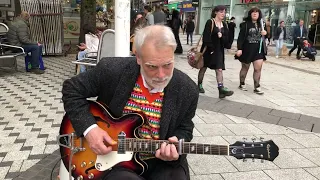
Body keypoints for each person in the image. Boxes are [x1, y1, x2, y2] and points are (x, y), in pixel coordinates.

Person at [62, 25, 199, 180]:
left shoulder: (188, 89)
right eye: (152, 67)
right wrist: (90, 129)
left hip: (161, 162)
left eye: (167, 65)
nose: (161, 75)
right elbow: (71, 90)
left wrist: (177, 142)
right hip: (113, 161)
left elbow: (185, 128)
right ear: (138, 57)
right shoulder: (112, 70)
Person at [197, 5, 234, 98]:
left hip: (219, 51)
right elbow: (206, 37)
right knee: (203, 68)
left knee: (219, 69)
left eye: (224, 12)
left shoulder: (224, 24)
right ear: (215, 12)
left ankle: (221, 90)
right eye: (221, 12)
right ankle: (199, 85)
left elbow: (226, 40)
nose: (223, 14)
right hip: (208, 50)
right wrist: (211, 49)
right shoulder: (210, 22)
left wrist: (221, 37)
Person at [236, 7, 267, 95]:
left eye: (257, 12)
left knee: (258, 69)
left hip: (259, 50)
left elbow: (267, 36)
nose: (255, 13)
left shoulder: (262, 24)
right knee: (245, 68)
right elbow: (240, 38)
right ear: (250, 14)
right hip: (247, 50)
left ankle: (257, 86)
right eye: (253, 12)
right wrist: (239, 49)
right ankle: (242, 83)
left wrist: (266, 34)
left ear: (259, 14)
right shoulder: (245, 25)